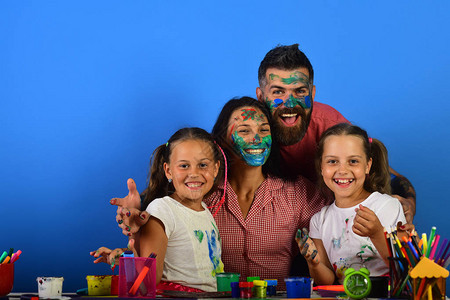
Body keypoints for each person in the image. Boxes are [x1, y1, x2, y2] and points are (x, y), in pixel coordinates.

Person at [255, 44, 416, 223]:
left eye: (300, 91)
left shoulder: (333, 128)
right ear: (261, 97)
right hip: (270, 229)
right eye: (278, 92)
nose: (290, 104)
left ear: (313, 94)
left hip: (331, 230)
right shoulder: (247, 131)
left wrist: (408, 202)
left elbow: (389, 177)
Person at [205, 97, 328, 286]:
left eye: (264, 130)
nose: (257, 139)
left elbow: (339, 220)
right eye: (244, 131)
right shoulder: (204, 195)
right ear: (221, 139)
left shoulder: (297, 193)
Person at [92, 127, 224, 292]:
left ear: (216, 169)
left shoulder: (205, 210)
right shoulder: (162, 210)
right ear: (168, 171)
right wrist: (130, 259)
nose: (194, 173)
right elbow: (148, 281)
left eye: (203, 165)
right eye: (184, 166)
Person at [296, 123, 406, 285]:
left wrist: (376, 234)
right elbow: (326, 282)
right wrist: (313, 262)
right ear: (321, 166)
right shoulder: (319, 220)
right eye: (332, 161)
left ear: (367, 165)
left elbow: (403, 268)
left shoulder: (386, 206)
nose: (342, 170)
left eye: (353, 161)